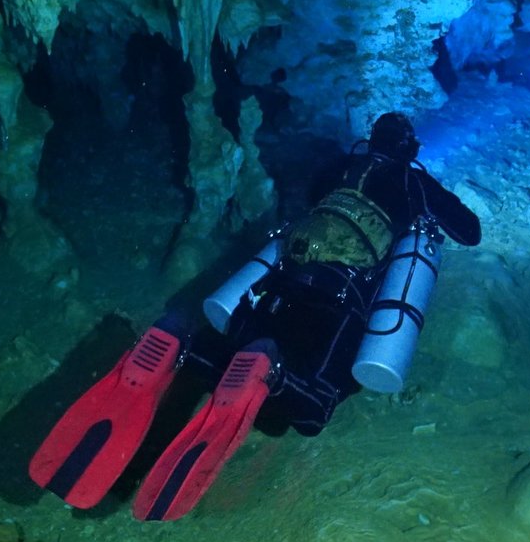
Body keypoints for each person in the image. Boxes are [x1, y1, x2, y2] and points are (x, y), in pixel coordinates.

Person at [29, 112, 482, 520]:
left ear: (371, 139)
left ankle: (181, 345)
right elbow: (470, 231)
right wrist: (421, 211)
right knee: (314, 409)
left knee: (234, 353)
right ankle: (273, 373)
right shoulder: (413, 182)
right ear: (409, 149)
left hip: (284, 279)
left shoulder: (341, 168)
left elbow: (310, 199)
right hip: (340, 298)